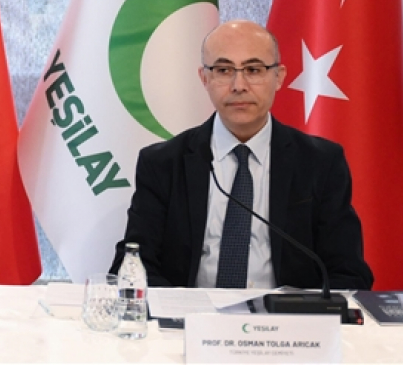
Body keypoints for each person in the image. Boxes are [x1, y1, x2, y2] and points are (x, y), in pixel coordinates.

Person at [111, 20, 373, 290]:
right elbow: (133, 263)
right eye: (224, 70)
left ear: (279, 76)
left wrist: (299, 310)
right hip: (190, 313)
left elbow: (348, 273)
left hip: (287, 315)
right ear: (204, 78)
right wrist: (182, 310)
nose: (239, 85)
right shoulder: (163, 164)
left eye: (253, 70)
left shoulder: (320, 163)